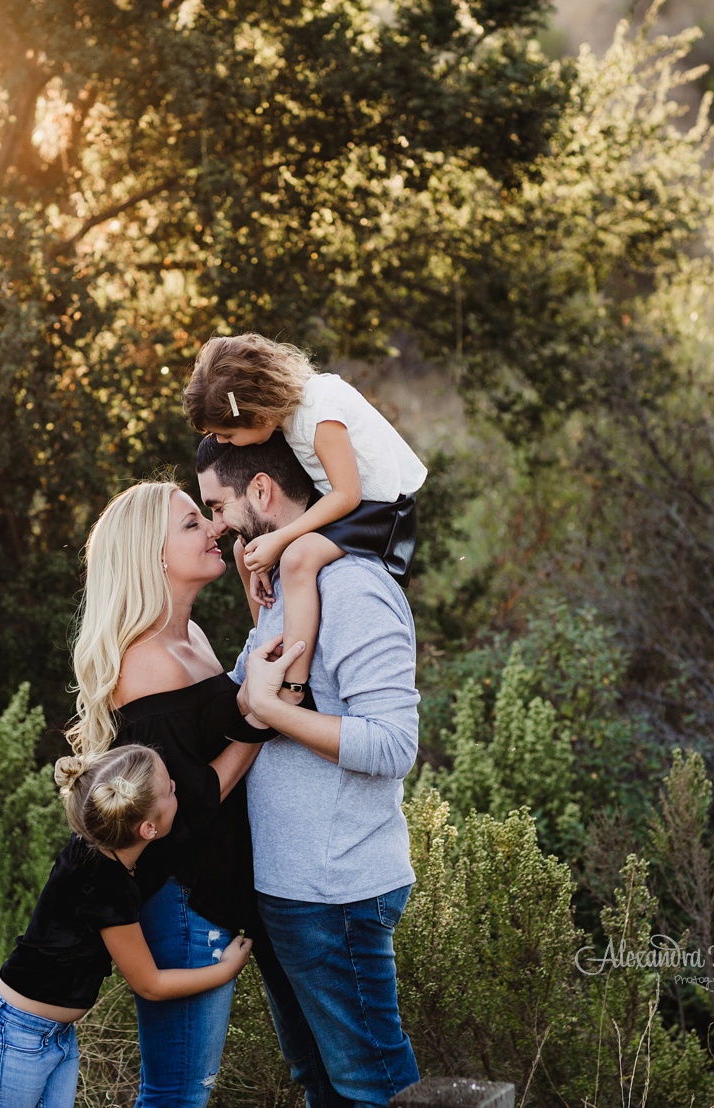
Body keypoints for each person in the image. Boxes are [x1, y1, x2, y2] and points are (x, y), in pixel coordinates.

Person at [197, 435, 423, 1108]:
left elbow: (392, 746)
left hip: (334, 894)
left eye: (217, 505)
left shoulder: (352, 586)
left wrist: (272, 707)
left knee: (370, 1089)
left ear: (262, 491)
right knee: (321, 1087)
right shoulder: (284, 584)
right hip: (287, 892)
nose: (215, 526)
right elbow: (259, 694)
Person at [69, 481, 271, 1106]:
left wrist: (253, 595)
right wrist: (266, 717)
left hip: (207, 894)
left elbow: (223, 715)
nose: (215, 530)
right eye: (191, 524)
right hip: (183, 900)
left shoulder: (191, 639)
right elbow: (194, 796)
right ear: (150, 556)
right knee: (177, 1092)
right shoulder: (145, 665)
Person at [0, 745, 257, 1108]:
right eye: (169, 789)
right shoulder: (105, 886)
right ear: (148, 828)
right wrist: (226, 969)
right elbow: (150, 985)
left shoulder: (95, 844)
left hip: (50, 1035)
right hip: (13, 1035)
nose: (176, 787)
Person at [182, 334, 426, 699]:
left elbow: (348, 494)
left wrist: (281, 539)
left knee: (297, 558)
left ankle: (293, 686)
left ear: (258, 415)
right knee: (243, 551)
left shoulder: (320, 411)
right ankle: (271, 644)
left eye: (227, 434)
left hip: (380, 513)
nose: (224, 444)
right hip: (343, 506)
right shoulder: (283, 414)